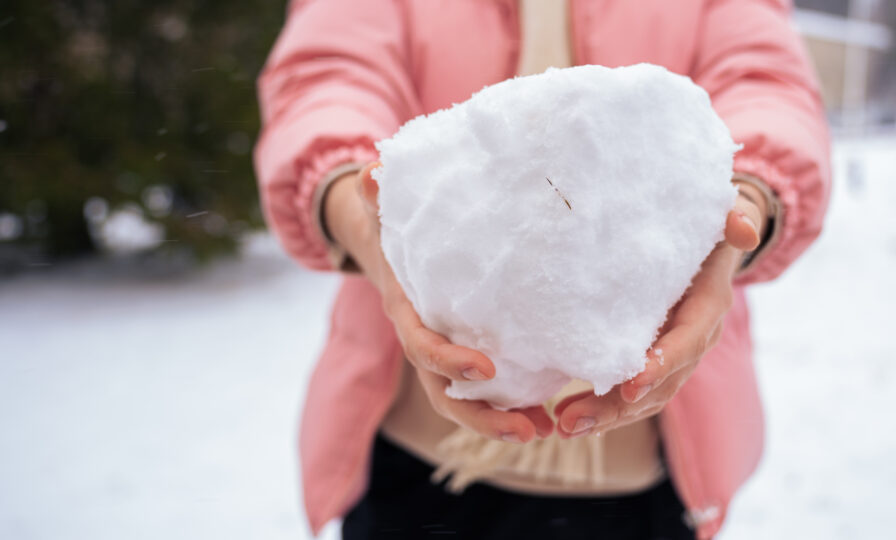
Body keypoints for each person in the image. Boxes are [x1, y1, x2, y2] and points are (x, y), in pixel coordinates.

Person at [254, 1, 830, 538]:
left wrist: (747, 197)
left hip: (644, 477)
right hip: (418, 461)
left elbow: (765, 85)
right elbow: (328, 77)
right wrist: (359, 212)